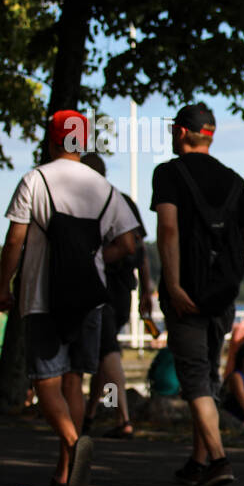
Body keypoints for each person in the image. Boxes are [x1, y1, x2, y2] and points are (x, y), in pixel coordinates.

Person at [0, 111, 139, 486]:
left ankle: (74, 444)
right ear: (83, 142)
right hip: (90, 298)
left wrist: (3, 287)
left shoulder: (35, 179)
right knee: (74, 379)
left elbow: (14, 240)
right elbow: (127, 243)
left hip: (41, 296)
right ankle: (65, 470)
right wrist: (92, 261)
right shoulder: (105, 188)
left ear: (53, 141)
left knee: (45, 382)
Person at [151, 103, 244, 486]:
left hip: (187, 293)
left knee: (195, 379)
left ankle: (218, 459)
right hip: (222, 294)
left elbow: (168, 229)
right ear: (210, 135)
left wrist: (174, 283)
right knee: (209, 375)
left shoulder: (168, 173)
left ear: (181, 132)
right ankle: (197, 462)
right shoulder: (234, 180)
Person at [80, 151, 153, 438]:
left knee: (108, 350)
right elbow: (141, 249)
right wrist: (147, 289)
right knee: (103, 351)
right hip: (124, 288)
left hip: (103, 287)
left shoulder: (88, 205)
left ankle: (123, 419)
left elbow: (130, 247)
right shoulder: (123, 201)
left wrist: (92, 261)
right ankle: (90, 413)